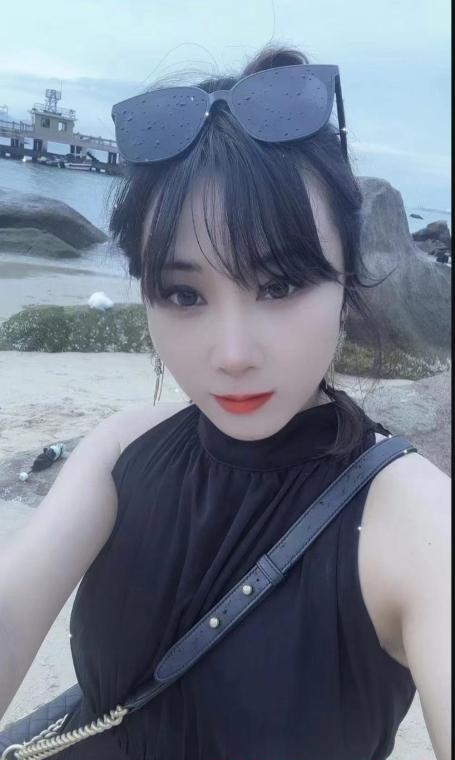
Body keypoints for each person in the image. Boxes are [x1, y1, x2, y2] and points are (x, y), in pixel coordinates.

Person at [0, 44, 450, 760]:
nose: (233, 354)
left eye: (279, 285)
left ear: (345, 281)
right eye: (184, 294)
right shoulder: (122, 451)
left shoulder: (415, 519)